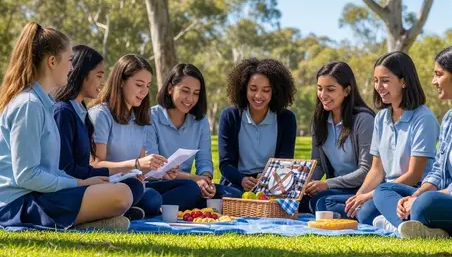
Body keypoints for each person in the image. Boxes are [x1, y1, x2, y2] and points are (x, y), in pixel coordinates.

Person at [0, 23, 132, 231]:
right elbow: (26, 175)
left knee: (119, 191)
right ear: (52, 62)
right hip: (18, 204)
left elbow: (49, 171)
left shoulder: (44, 105)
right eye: (70, 60)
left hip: (40, 195)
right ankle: (76, 224)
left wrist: (84, 181)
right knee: (121, 194)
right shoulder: (29, 105)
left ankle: (80, 224)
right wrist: (79, 184)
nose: (72, 68)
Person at [373, 45, 452, 238]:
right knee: (384, 190)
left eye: (438, 75)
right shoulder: (450, 117)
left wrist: (425, 198)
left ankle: (403, 223)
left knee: (426, 204)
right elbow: (438, 172)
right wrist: (415, 196)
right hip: (446, 199)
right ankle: (418, 227)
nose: (433, 82)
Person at [316, 52, 439, 225]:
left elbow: (413, 175)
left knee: (366, 212)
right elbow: (376, 171)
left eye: (385, 80)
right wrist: (359, 197)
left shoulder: (423, 117)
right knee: (326, 204)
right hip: (384, 190)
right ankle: (387, 219)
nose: (378, 86)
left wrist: (371, 195)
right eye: (376, 80)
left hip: (412, 189)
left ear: (403, 81)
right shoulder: (381, 118)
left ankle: (402, 222)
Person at [89, 54, 200, 215]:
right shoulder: (101, 115)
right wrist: (136, 164)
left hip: (136, 185)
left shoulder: (140, 119)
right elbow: (96, 165)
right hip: (108, 186)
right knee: (151, 198)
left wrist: (161, 171)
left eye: (148, 86)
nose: (144, 91)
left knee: (189, 187)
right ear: (121, 81)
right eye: (139, 84)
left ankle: (136, 210)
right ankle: (136, 209)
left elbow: (141, 171)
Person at [53, 45, 146, 221]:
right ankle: (101, 215)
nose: (102, 82)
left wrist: (117, 174)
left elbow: (83, 166)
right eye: (99, 76)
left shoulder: (81, 112)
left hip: (84, 184)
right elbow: (64, 169)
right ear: (82, 74)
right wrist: (100, 177)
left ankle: (106, 213)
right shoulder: (63, 112)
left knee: (134, 186)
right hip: (68, 190)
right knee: (125, 192)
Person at [146, 63, 242, 204]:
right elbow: (154, 169)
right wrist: (195, 179)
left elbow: (204, 161)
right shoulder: (151, 117)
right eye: (185, 91)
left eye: (196, 93)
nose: (190, 99)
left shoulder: (200, 121)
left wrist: (206, 180)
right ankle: (153, 206)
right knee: (189, 190)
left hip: (190, 184)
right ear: (170, 89)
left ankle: (179, 204)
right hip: (157, 184)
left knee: (234, 194)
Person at [218, 58, 297, 192]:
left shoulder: (286, 118)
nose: (258, 96)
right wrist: (242, 180)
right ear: (244, 89)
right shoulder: (230, 116)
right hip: (236, 183)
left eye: (266, 90)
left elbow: (285, 161)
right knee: (228, 196)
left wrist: (267, 178)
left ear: (275, 91)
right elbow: (226, 164)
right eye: (253, 89)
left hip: (272, 183)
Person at [305, 62, 374, 212]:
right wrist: (303, 184)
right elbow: (318, 164)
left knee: (322, 203)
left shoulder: (363, 120)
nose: (323, 95)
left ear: (347, 90)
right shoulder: (319, 121)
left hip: (361, 189)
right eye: (319, 88)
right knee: (301, 200)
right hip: (336, 188)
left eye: (330, 89)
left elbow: (366, 170)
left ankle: (366, 210)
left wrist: (327, 184)